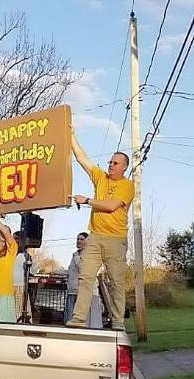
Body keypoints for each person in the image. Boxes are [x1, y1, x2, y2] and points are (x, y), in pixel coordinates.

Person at [66, 132, 134, 330]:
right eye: (110, 162)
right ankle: (78, 319)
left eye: (115, 163)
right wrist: (70, 135)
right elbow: (82, 158)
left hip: (116, 239)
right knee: (85, 278)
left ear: (124, 167)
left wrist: (86, 200)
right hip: (95, 237)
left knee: (116, 282)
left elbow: (111, 206)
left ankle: (118, 322)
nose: (111, 165)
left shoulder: (127, 185)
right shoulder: (100, 178)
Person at [65, 232, 103, 328]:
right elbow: (71, 270)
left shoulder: (90, 255)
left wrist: (78, 258)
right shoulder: (74, 255)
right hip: (73, 291)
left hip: (87, 293)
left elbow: (83, 268)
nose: (78, 241)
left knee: (90, 323)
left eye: (81, 239)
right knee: (72, 320)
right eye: (77, 239)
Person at [12, 231, 37, 320]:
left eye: (16, 239)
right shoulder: (10, 255)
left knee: (19, 311)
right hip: (9, 287)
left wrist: (32, 257)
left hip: (20, 287)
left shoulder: (25, 255)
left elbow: (33, 271)